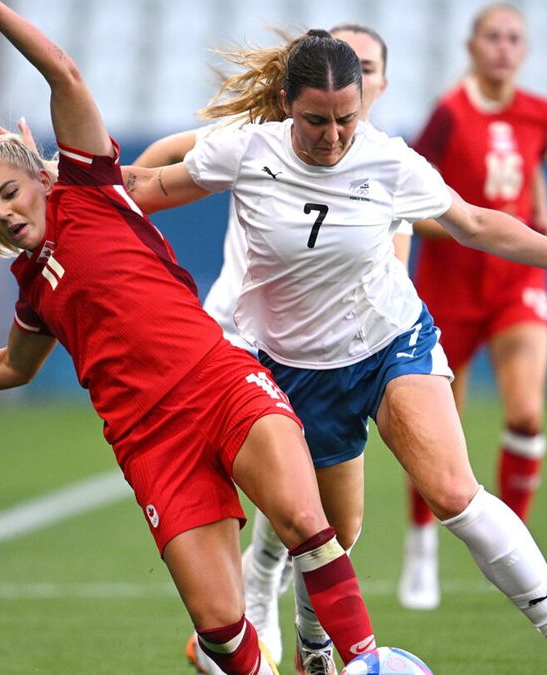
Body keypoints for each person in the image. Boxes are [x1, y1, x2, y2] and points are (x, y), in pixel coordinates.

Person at [0, 3, 380, 674]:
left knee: (308, 522)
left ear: (40, 176)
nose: (3, 212)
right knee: (219, 626)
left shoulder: (91, 188)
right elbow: (13, 366)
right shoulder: (34, 284)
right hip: (150, 442)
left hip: (219, 383)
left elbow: (62, 73)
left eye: (9, 192)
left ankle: (366, 663)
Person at [121, 27, 547, 675]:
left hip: (391, 344)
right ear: (287, 103)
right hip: (295, 371)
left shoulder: (388, 159)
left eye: (345, 119)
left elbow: (477, 223)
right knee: (333, 532)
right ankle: (312, 642)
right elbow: (143, 187)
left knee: (454, 491)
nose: (333, 137)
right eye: (317, 121)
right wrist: (54, 179)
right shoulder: (245, 150)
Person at [128, 25, 402, 673]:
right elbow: (172, 159)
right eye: (341, 62)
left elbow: (395, 267)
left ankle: (277, 623)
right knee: (294, 504)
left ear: (374, 85)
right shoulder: (265, 140)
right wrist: (117, 182)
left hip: (333, 348)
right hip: (243, 342)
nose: (346, 78)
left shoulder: (391, 165)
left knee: (337, 520)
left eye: (363, 66)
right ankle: (271, 627)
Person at [402, 2, 547, 612]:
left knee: (525, 414)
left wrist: (539, 215)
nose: (503, 47)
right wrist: (473, 228)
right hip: (451, 287)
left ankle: (510, 544)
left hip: (516, 280)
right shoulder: (447, 114)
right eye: (492, 36)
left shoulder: (541, 112)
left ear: (524, 49)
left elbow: (532, 170)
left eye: (513, 37)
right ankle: (421, 546)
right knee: (439, 433)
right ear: (472, 46)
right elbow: (415, 197)